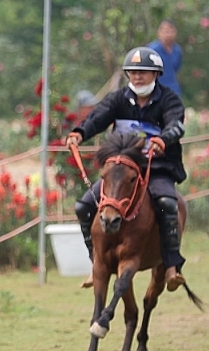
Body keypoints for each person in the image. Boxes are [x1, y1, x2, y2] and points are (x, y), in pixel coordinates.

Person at [66, 46, 187, 292]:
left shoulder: (168, 100)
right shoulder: (118, 99)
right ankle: (96, 263)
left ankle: (173, 266)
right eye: (132, 72)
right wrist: (79, 133)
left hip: (157, 168)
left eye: (144, 72)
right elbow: (97, 118)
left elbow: (177, 125)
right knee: (84, 206)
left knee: (167, 202)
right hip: (122, 172)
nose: (137, 77)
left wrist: (163, 139)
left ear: (156, 75)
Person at [146, 20, 182, 97]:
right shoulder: (152, 50)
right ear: (159, 33)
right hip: (155, 91)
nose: (169, 35)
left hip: (173, 91)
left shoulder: (177, 51)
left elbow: (176, 69)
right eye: (166, 32)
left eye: (171, 32)